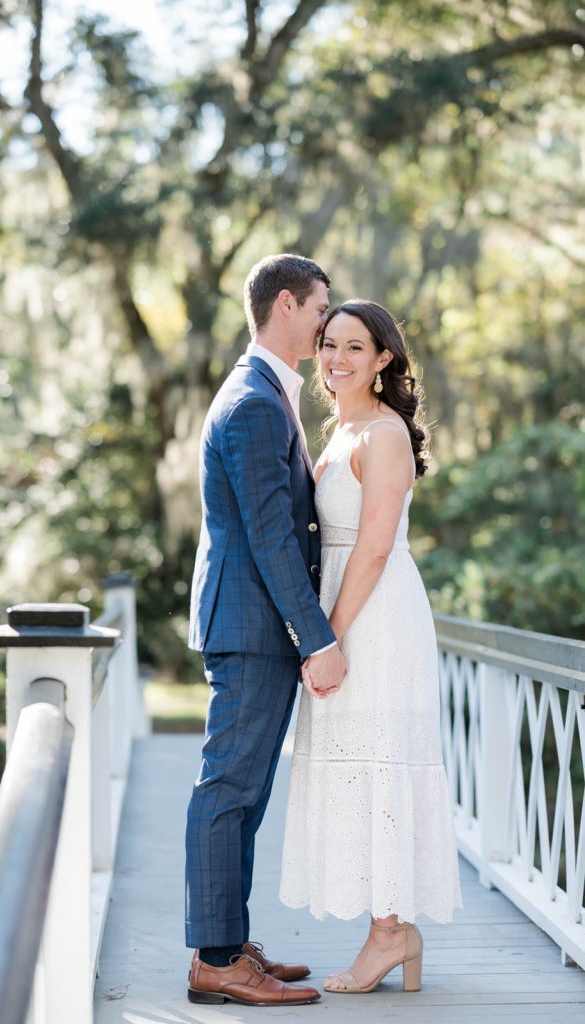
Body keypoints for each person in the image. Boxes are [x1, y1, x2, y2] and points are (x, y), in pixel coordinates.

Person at [280, 299, 462, 994]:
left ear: (384, 358)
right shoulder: (340, 428)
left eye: (355, 348)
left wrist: (330, 635)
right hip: (345, 604)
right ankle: (391, 930)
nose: (336, 359)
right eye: (329, 344)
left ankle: (390, 932)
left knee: (378, 761)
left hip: (376, 615)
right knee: (351, 768)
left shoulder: (382, 433)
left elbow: (378, 545)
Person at [185, 254, 347, 1007]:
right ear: (287, 304)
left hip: (254, 625)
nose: (326, 323)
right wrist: (315, 636)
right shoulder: (253, 401)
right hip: (252, 627)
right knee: (228, 791)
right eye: (320, 308)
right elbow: (271, 537)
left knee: (242, 796)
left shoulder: (264, 394)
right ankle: (215, 959)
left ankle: (229, 942)